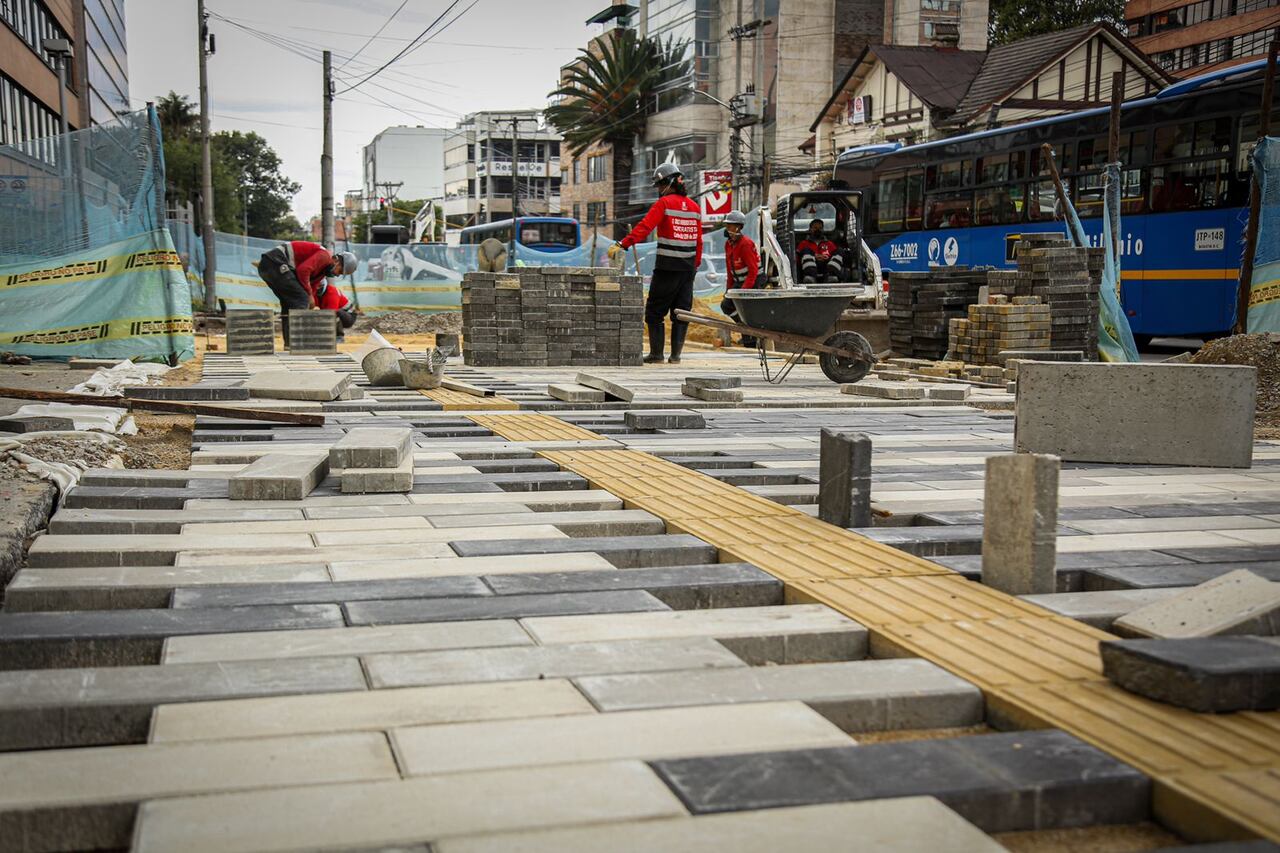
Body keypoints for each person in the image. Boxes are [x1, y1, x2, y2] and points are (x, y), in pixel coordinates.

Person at [609, 162, 702, 364]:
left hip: (667, 268)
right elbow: (699, 241)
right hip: (687, 270)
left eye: (660, 185)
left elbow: (645, 226)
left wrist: (623, 243)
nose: (659, 189)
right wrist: (695, 266)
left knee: (654, 311)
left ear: (669, 182)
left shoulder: (664, 204)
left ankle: (657, 355)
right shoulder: (695, 208)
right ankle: (676, 356)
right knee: (681, 312)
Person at [256, 241, 357, 344]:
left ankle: (290, 344)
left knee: (289, 304)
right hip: (275, 261)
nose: (337, 275)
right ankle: (298, 343)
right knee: (301, 299)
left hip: (271, 264)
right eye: (340, 271)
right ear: (337, 261)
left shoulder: (321, 272)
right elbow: (303, 270)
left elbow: (312, 286)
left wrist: (310, 301)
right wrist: (309, 296)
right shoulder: (325, 256)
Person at [719, 209, 759, 348]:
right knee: (726, 305)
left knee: (745, 309)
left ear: (738, 227)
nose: (727, 229)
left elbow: (753, 271)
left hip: (753, 281)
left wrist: (743, 292)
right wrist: (728, 290)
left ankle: (750, 339)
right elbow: (730, 271)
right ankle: (745, 329)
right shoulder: (728, 244)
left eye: (730, 226)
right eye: (727, 226)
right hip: (739, 282)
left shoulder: (746, 244)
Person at [796, 219, 848, 283]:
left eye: (820, 228)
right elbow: (797, 258)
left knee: (840, 250)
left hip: (827, 266)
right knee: (806, 250)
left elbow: (836, 255)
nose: (818, 230)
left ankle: (831, 275)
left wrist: (827, 257)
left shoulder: (830, 243)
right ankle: (810, 277)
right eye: (815, 228)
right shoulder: (803, 243)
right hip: (810, 267)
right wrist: (814, 256)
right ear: (810, 229)